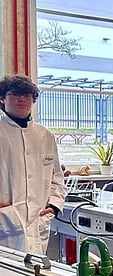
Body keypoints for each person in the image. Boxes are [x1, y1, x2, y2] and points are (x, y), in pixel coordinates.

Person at [0, 74, 65, 255]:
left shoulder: (45, 135)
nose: (22, 99)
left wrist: (54, 205)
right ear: (2, 98)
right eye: (15, 94)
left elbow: (57, 178)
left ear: (33, 100)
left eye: (27, 95)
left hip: (38, 223)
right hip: (4, 224)